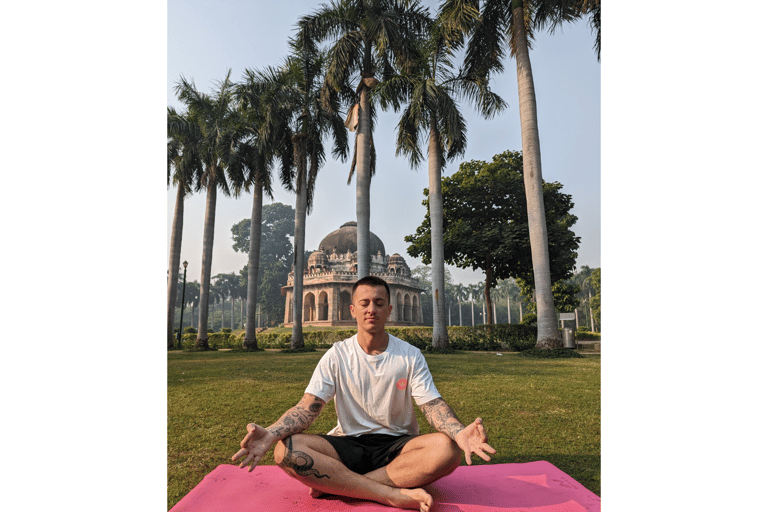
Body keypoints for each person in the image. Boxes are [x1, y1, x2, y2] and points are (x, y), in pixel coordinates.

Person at [231, 276, 496, 512]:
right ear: (352, 309)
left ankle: (338, 485)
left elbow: (431, 405)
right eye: (365, 303)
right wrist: (273, 432)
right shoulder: (337, 355)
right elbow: (307, 408)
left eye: (379, 303)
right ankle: (388, 494)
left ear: (389, 310)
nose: (372, 309)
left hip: (398, 446)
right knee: (285, 451)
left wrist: (459, 432)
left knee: (448, 449)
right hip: (348, 443)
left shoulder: (409, 355)